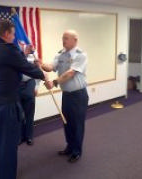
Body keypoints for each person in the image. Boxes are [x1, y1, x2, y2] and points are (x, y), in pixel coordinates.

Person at [0, 20, 49, 179]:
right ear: (7, 33)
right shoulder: (8, 49)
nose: (14, 37)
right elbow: (27, 68)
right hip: (4, 105)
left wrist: (23, 54)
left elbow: (6, 63)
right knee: (8, 144)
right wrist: (44, 75)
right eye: (13, 34)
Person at [42, 30, 89, 163]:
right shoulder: (60, 54)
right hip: (67, 95)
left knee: (77, 124)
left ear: (75, 40)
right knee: (66, 122)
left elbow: (70, 73)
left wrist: (55, 82)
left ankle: (76, 151)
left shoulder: (81, 55)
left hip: (78, 95)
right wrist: (40, 63)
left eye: (66, 38)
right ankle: (69, 146)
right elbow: (50, 67)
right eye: (63, 38)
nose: (63, 40)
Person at [19, 45, 40, 146]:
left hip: (29, 83)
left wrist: (36, 86)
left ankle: (29, 137)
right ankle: (20, 136)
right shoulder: (16, 52)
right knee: (18, 113)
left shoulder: (34, 54)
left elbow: (37, 70)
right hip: (17, 84)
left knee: (29, 113)